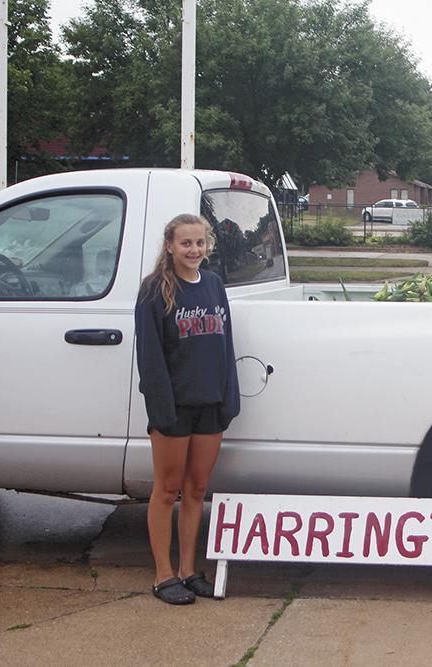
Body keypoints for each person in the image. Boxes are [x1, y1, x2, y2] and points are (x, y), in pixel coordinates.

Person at [135, 214, 240, 605]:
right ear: (170, 246)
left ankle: (188, 571)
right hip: (173, 408)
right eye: (185, 244)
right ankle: (164, 575)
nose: (194, 250)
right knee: (167, 490)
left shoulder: (213, 285)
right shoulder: (154, 291)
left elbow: (225, 345)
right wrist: (160, 410)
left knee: (196, 490)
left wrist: (229, 397)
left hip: (211, 404)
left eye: (200, 243)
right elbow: (149, 358)